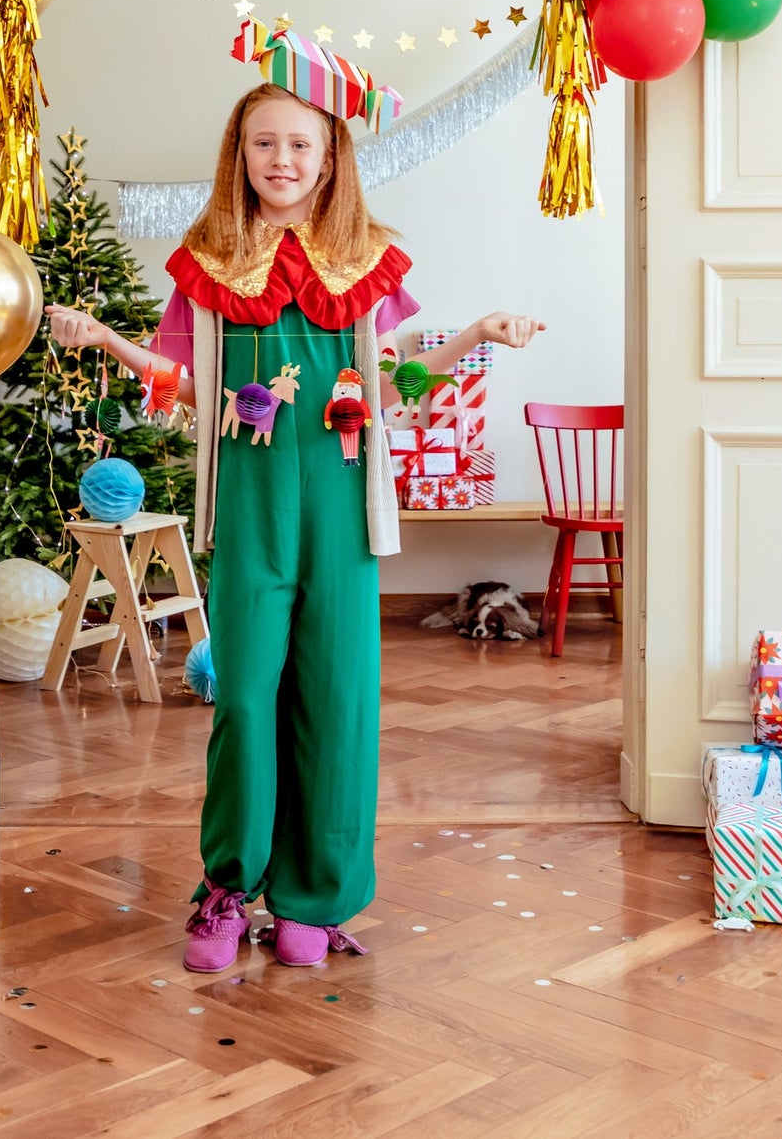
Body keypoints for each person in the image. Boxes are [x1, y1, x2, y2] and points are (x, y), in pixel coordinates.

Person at [49, 81, 544, 972]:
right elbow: (182, 384)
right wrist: (106, 341)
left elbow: (391, 390)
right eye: (263, 144)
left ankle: (315, 894)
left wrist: (474, 331)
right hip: (250, 504)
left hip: (344, 508)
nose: (281, 160)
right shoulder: (205, 263)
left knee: (336, 699)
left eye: (299, 146)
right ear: (238, 154)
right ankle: (229, 890)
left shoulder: (369, 263)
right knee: (241, 698)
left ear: (330, 160)